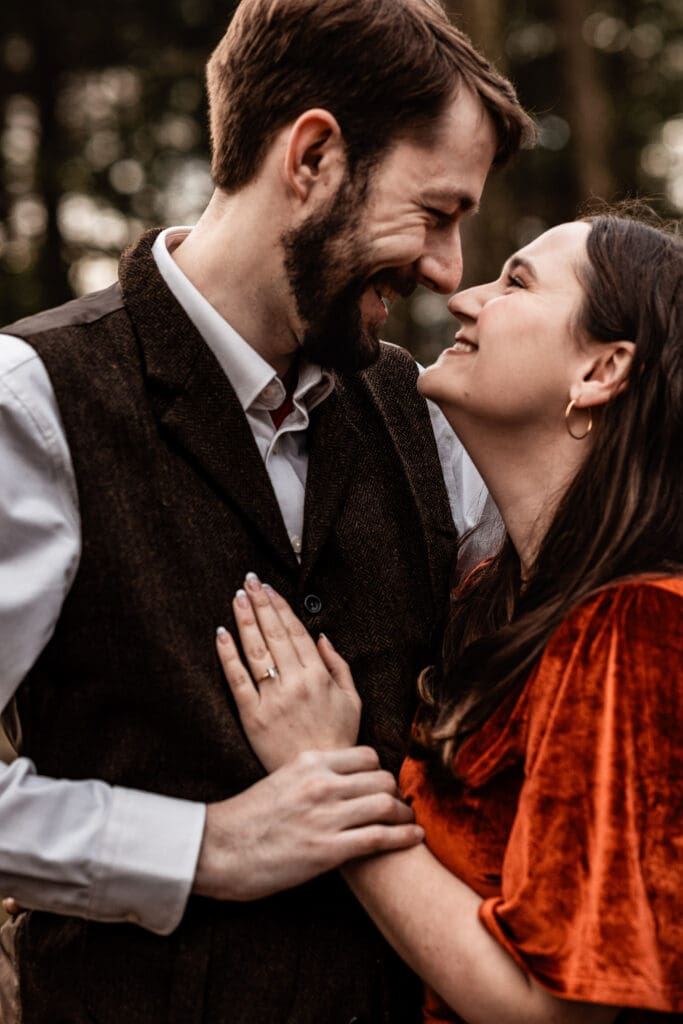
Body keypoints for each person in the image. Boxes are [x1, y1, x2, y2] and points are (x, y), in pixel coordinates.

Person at [0, 0, 536, 1020]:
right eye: (434, 212)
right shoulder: (30, 399)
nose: (446, 271)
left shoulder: (423, 414)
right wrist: (203, 847)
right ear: (313, 158)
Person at [217, 210, 683, 1023]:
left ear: (602, 368)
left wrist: (329, 783)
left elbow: (554, 1010)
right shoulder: (489, 598)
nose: (464, 297)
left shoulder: (640, 625)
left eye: (514, 282)